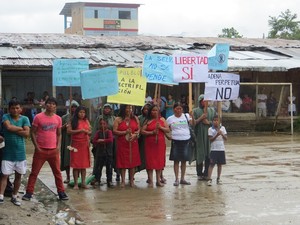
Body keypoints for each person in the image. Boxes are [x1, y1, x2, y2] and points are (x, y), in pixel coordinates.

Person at [22, 97, 69, 201]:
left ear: (55, 106)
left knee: (57, 172)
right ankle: (29, 192)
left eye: (53, 104)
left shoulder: (58, 119)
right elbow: (33, 132)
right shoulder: (38, 117)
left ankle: (61, 192)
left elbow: (59, 134)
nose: (51, 106)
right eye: (49, 103)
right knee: (34, 172)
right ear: (45, 105)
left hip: (54, 151)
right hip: (41, 150)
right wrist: (37, 147)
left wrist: (58, 147)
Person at [0, 100, 30, 206]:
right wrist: (21, 128)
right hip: (8, 153)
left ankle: (14, 196)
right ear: (9, 109)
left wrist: (14, 129)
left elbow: (27, 133)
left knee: (18, 176)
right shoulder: (6, 117)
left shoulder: (25, 118)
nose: (15, 110)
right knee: (4, 175)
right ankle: (1, 196)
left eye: (17, 108)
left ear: (21, 109)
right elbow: (8, 127)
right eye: (13, 108)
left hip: (21, 153)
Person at [166, 102, 194, 186]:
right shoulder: (170, 119)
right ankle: (176, 179)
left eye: (180, 108)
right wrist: (168, 136)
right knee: (176, 160)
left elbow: (192, 124)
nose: (178, 110)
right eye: (177, 108)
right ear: (174, 109)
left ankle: (182, 178)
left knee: (184, 160)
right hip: (175, 140)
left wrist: (192, 117)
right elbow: (165, 129)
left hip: (185, 140)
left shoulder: (186, 116)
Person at [113, 104, 141, 188]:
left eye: (130, 108)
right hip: (122, 143)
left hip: (133, 143)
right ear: (123, 108)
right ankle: (123, 180)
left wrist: (135, 135)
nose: (129, 109)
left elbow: (138, 129)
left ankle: (131, 180)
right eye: (127, 107)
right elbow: (114, 131)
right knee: (123, 162)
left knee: (132, 162)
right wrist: (124, 132)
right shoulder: (118, 119)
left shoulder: (135, 118)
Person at [141, 104, 169, 187]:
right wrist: (151, 133)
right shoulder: (147, 121)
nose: (154, 112)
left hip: (160, 143)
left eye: (156, 110)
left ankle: (158, 180)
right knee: (150, 162)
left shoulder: (162, 119)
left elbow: (167, 130)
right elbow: (142, 131)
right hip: (149, 143)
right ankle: (150, 180)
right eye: (153, 110)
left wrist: (160, 127)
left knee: (159, 162)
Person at [91, 104, 117, 182]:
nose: (107, 110)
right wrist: (93, 141)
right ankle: (96, 178)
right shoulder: (99, 118)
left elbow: (115, 129)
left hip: (110, 144)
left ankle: (111, 179)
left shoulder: (113, 118)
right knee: (98, 163)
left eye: (108, 108)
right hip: (99, 144)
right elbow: (95, 129)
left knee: (110, 162)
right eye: (105, 108)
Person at [67, 106, 91, 190]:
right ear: (77, 113)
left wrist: (88, 132)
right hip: (75, 144)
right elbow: (69, 131)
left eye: (83, 112)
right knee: (76, 165)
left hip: (84, 144)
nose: (82, 114)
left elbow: (90, 130)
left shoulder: (86, 121)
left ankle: (83, 182)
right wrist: (80, 131)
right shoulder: (73, 121)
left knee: (83, 165)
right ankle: (76, 183)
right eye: (80, 112)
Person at [193, 94, 216, 180]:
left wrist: (209, 122)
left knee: (208, 154)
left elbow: (217, 123)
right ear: (200, 101)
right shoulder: (195, 111)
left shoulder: (212, 111)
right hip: (199, 136)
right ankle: (199, 173)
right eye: (203, 100)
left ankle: (206, 173)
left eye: (206, 100)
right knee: (200, 154)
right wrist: (200, 118)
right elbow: (192, 124)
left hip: (209, 136)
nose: (205, 102)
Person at [60, 102, 79, 184]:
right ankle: (68, 177)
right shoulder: (64, 117)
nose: (74, 108)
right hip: (67, 140)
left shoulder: (80, 117)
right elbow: (59, 128)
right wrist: (65, 126)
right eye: (72, 107)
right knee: (67, 159)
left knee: (77, 159)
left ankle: (77, 177)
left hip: (76, 140)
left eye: (75, 107)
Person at [92, 118, 114, 187]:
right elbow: (94, 140)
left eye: (104, 124)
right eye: (101, 124)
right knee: (99, 167)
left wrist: (103, 140)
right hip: (100, 153)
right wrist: (98, 141)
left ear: (107, 124)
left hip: (108, 153)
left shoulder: (109, 132)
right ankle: (98, 180)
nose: (102, 125)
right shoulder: (98, 132)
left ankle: (109, 181)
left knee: (109, 168)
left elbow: (110, 140)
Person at [207, 116, 227, 186]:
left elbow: (226, 138)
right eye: (214, 120)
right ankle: (209, 179)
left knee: (220, 164)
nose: (216, 122)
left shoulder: (223, 128)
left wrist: (221, 134)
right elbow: (211, 140)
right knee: (211, 164)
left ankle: (218, 178)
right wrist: (216, 135)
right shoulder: (210, 129)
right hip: (214, 149)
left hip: (221, 149)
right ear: (212, 121)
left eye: (217, 120)